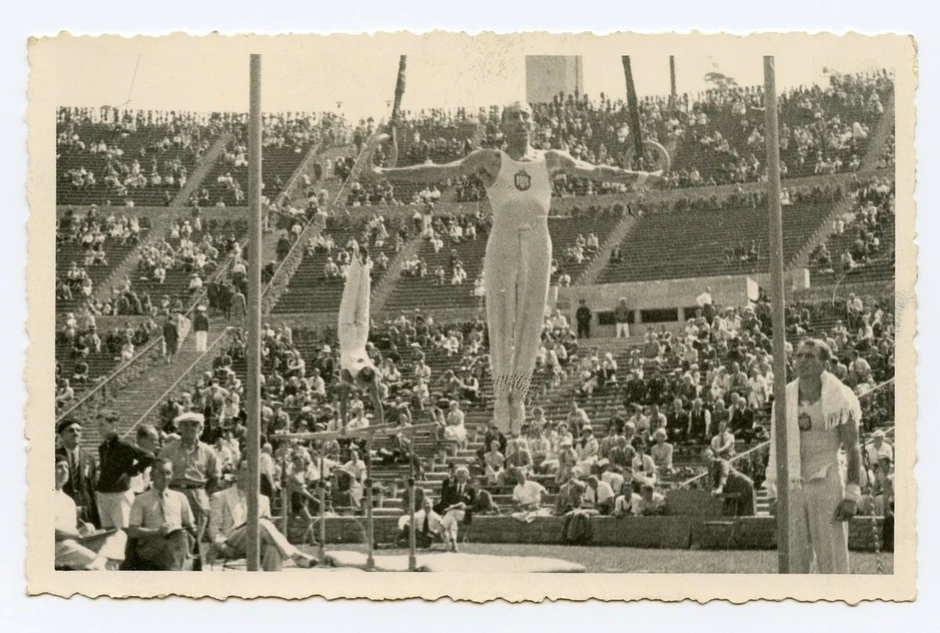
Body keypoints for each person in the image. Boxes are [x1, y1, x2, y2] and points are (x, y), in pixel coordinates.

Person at [362, 102, 664, 434]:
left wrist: (642, 175)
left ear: (534, 124)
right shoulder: (491, 159)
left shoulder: (551, 160)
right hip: (503, 240)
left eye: (525, 117)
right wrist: (384, 173)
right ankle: (500, 396)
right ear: (502, 126)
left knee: (531, 320)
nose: (520, 122)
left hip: (538, 240)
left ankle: (518, 395)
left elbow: (596, 171)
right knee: (501, 320)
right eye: (513, 117)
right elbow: (438, 171)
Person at [766, 339, 863, 574]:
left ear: (825, 363)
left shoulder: (840, 395)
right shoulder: (785, 395)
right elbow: (776, 445)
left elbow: (853, 448)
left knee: (832, 558)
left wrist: (851, 495)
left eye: (810, 356)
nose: (802, 361)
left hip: (827, 481)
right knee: (794, 561)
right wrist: (772, 491)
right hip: (794, 485)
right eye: (799, 356)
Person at [208, 460, 317, 570]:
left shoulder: (263, 499)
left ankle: (270, 583)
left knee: (273, 548)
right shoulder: (220, 496)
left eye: (253, 470)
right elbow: (214, 529)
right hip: (232, 541)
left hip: (256, 542)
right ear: (237, 472)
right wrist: (223, 546)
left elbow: (268, 530)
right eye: (245, 469)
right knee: (260, 522)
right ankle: (295, 555)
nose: (249, 473)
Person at [159, 412, 221, 568]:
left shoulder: (208, 451)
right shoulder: (168, 449)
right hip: (174, 493)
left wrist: (204, 494)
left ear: (200, 428)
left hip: (197, 494)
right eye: (185, 424)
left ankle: (195, 575)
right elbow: (158, 472)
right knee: (174, 535)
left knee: (196, 538)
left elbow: (215, 477)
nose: (190, 428)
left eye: (194, 424)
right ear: (179, 428)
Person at [337, 244, 385, 429]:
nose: (362, 389)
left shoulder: (370, 373)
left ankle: (364, 266)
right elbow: (343, 401)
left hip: (362, 338)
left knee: (363, 300)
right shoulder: (350, 372)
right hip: (348, 338)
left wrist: (381, 423)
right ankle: (358, 261)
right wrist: (342, 425)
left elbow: (376, 403)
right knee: (350, 297)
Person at [55, 455, 126, 570]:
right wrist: (77, 535)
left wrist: (85, 529)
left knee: (119, 534)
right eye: (59, 467)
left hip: (75, 542)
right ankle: (99, 563)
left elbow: (72, 529)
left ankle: (100, 561)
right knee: (105, 566)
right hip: (59, 547)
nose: (64, 471)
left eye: (66, 467)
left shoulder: (69, 501)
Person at [127, 458, 197, 570]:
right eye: (160, 473)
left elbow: (190, 527)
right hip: (152, 545)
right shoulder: (141, 500)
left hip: (178, 542)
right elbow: (132, 531)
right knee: (175, 546)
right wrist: (156, 532)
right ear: (151, 475)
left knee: (181, 536)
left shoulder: (180, 497)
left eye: (168, 473)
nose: (165, 477)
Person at [96, 410, 155, 529]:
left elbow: (149, 457)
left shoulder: (124, 445)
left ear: (113, 426)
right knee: (108, 532)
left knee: (123, 531)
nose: (99, 428)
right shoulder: (103, 447)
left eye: (102, 425)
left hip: (119, 494)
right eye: (98, 425)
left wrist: (133, 471)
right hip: (104, 493)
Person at [55, 418, 100, 526]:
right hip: (62, 506)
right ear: (61, 435)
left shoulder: (89, 457)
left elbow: (92, 486)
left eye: (78, 430)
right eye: (71, 430)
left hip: (85, 508)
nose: (75, 433)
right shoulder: (54, 456)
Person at [704, 448, 756, 517]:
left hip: (744, 485)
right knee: (731, 513)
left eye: (706, 456)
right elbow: (712, 479)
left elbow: (724, 475)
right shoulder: (711, 467)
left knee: (747, 514)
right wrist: (713, 488)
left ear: (712, 456)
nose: (704, 459)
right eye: (703, 457)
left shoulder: (722, 462)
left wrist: (720, 488)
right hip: (732, 488)